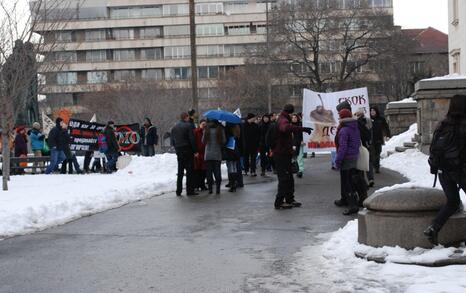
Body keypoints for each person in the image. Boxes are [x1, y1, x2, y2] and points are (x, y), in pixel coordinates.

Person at [424, 95, 466, 245]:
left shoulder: (442, 124)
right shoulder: (463, 124)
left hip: (443, 170)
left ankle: (434, 228)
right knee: (453, 202)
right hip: (460, 170)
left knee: (452, 202)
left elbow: (433, 148)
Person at [273, 104, 312, 209]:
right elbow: (285, 128)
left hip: (285, 153)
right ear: (290, 113)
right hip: (281, 154)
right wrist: (301, 129)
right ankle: (279, 202)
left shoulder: (284, 118)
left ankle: (290, 199)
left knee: (289, 178)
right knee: (284, 179)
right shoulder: (283, 119)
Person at [334, 108, 361, 215]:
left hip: (346, 158)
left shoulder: (344, 130)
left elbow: (343, 147)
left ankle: (352, 205)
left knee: (347, 182)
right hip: (353, 156)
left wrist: (338, 160)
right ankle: (346, 200)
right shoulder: (354, 127)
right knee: (350, 180)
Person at [171, 112, 198, 196]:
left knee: (180, 171)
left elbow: (172, 141)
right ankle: (190, 191)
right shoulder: (189, 126)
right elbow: (192, 139)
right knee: (190, 171)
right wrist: (195, 151)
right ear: (186, 117)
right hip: (188, 150)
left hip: (179, 150)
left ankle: (178, 191)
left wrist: (177, 150)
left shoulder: (174, 127)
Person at [202, 120, 226, 194]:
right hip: (217, 153)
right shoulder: (220, 129)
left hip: (208, 154)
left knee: (209, 172)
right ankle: (218, 189)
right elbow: (224, 141)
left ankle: (210, 189)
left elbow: (203, 141)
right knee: (217, 171)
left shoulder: (206, 129)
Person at [354, 108, 374, 187]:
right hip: (367, 143)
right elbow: (371, 131)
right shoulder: (368, 120)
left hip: (359, 144)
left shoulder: (355, 122)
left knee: (360, 163)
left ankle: (363, 181)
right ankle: (370, 178)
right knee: (368, 162)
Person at [370, 106, 391, 173]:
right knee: (372, 154)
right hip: (371, 139)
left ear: (376, 111)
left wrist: (387, 135)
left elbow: (386, 127)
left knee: (378, 153)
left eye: (373, 110)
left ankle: (377, 167)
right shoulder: (368, 119)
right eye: (371, 110)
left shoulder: (381, 119)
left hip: (379, 138)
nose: (372, 112)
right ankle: (374, 165)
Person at [224, 123, 242, 192]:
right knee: (234, 167)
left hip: (229, 151)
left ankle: (232, 184)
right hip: (236, 151)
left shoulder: (227, 130)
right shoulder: (237, 129)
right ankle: (235, 183)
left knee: (231, 168)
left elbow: (225, 141)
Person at [194, 119, 207, 191]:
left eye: (205, 124)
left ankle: (202, 185)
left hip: (204, 153)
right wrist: (195, 151)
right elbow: (194, 142)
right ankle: (197, 185)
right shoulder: (196, 131)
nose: (204, 126)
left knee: (203, 170)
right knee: (197, 170)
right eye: (203, 124)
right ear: (200, 124)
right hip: (198, 154)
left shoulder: (206, 132)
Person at [291, 114, 305, 178]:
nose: (294, 119)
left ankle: (300, 170)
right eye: (293, 118)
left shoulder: (300, 125)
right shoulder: (289, 126)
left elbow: (303, 133)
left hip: (299, 143)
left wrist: (302, 140)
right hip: (292, 144)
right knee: (294, 158)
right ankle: (295, 169)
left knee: (300, 157)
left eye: (295, 117)